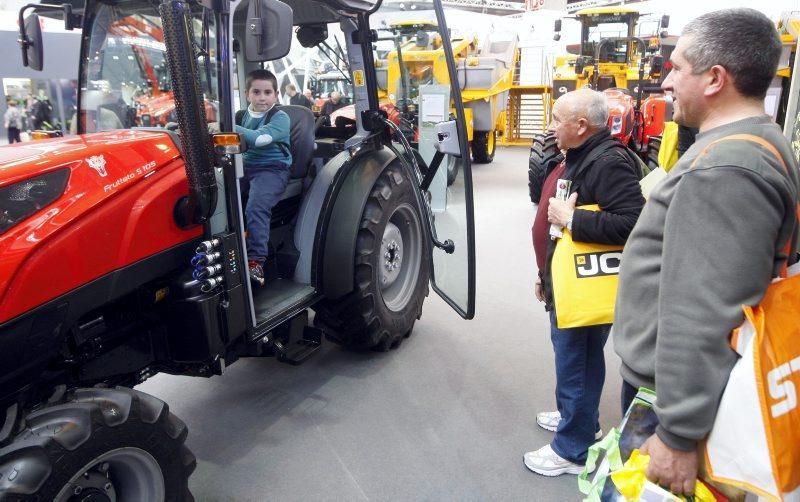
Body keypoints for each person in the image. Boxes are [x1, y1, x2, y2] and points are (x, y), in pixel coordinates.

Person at [613, 8, 799, 496]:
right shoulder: (754, 145)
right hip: (692, 393)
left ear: (716, 78)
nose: (667, 83)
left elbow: (701, 309)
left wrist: (677, 433)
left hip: (677, 403)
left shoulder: (725, 168)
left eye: (677, 68)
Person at [525, 88, 645, 476]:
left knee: (576, 361)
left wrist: (572, 219)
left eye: (557, 119)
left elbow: (633, 223)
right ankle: (576, 418)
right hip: (566, 281)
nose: (551, 126)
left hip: (583, 288)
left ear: (581, 125)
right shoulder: (579, 156)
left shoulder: (608, 162)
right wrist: (547, 275)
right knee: (579, 359)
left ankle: (572, 449)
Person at [235, 69, 292, 286]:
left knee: (256, 206)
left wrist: (224, 127)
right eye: (256, 92)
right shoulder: (241, 116)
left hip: (273, 169)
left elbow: (260, 139)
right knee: (219, 195)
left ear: (276, 95)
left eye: (267, 92)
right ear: (247, 94)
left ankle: (255, 261)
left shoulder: (280, 117)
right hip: (245, 166)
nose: (262, 97)